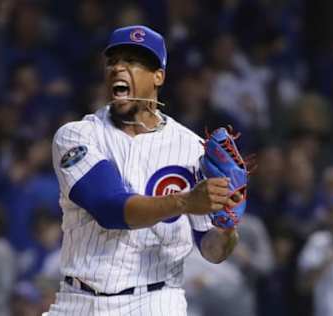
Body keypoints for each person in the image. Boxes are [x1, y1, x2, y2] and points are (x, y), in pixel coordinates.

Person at [45, 25, 241, 315]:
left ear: (158, 76)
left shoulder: (192, 148)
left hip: (156, 301)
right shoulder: (77, 136)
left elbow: (211, 251)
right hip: (78, 301)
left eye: (134, 61)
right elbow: (110, 208)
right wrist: (186, 201)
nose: (120, 68)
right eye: (114, 61)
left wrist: (227, 227)